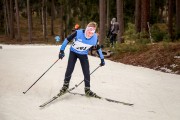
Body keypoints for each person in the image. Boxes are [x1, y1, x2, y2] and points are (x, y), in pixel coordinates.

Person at [58, 22, 105, 97]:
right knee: (69, 69)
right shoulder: (78, 33)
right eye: (89, 30)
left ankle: (87, 90)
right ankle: (65, 86)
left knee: (86, 72)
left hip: (83, 55)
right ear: (86, 28)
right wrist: (61, 51)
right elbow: (67, 39)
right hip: (73, 53)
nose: (90, 33)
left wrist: (102, 59)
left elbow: (98, 48)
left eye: (92, 31)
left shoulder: (95, 37)